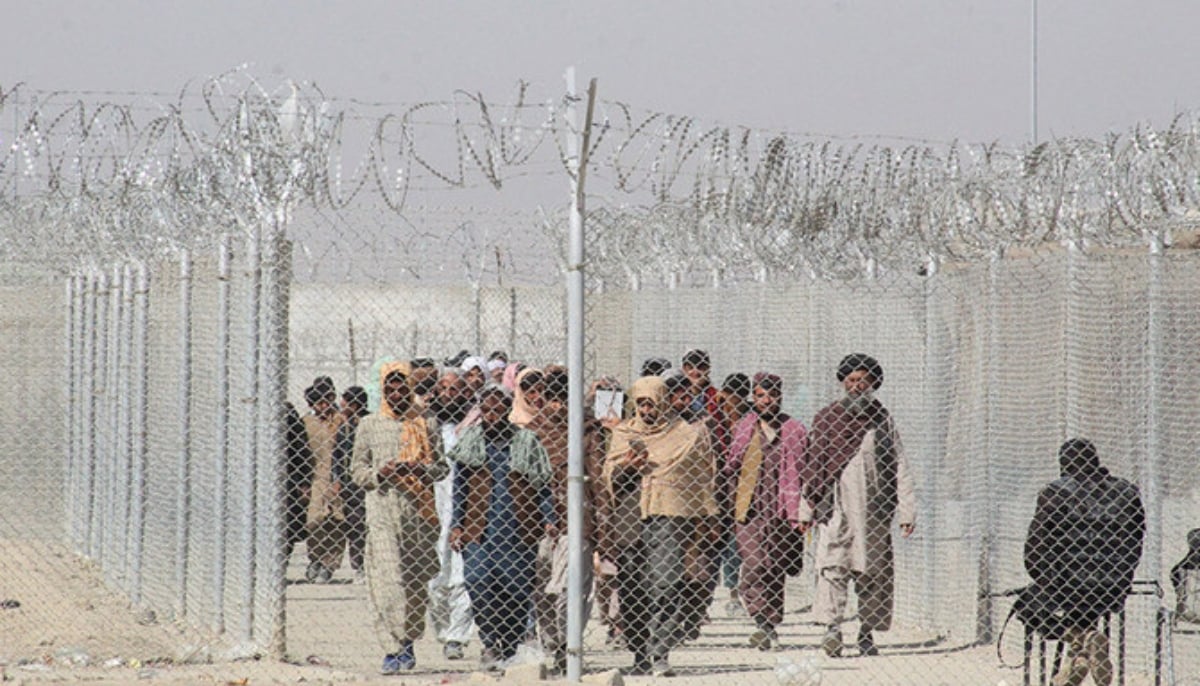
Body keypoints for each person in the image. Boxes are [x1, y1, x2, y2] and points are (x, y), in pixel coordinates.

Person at [603, 376, 718, 677]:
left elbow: (699, 471)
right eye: (640, 403)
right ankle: (640, 652)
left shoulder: (683, 433)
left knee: (665, 583)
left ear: (663, 401)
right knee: (632, 587)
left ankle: (660, 651)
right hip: (630, 517)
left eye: (651, 402)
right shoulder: (624, 432)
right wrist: (628, 465)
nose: (646, 409)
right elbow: (609, 474)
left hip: (668, 516)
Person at [801, 354, 915, 658]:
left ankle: (866, 632)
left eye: (862, 380)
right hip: (834, 509)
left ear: (873, 384)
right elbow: (812, 466)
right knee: (832, 568)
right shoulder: (827, 418)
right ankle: (832, 629)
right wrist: (805, 510)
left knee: (873, 573)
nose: (856, 386)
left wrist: (907, 510)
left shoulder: (882, 420)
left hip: (873, 512)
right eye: (850, 380)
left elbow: (900, 463)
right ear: (842, 383)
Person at [351, 361, 448, 673]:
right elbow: (357, 471)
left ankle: (408, 640)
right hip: (382, 509)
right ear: (382, 390)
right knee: (388, 581)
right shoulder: (369, 424)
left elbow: (442, 466)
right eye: (389, 387)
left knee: (416, 583)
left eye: (401, 387)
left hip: (418, 513)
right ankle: (392, 648)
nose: (395, 393)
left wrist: (421, 469)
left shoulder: (426, 421)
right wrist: (381, 474)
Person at [1024, 438, 1145, 686]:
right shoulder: (1127, 492)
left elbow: (1034, 549)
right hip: (1111, 587)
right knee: (1087, 597)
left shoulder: (1054, 493)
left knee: (1027, 606)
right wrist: (1121, 576)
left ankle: (1077, 643)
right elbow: (1136, 542)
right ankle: (1085, 643)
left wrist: (1046, 580)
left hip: (1065, 586)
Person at [449, 385, 553, 670]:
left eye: (497, 410)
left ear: (507, 410)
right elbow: (459, 489)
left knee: (517, 590)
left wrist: (548, 517)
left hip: (518, 530)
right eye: (486, 410)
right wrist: (456, 525)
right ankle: (491, 642)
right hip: (478, 530)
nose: (492, 416)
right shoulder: (470, 441)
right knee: (479, 584)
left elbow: (542, 485)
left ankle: (511, 646)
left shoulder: (526, 441)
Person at [528, 367, 604, 675]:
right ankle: (553, 644)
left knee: (571, 589)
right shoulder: (534, 432)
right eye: (553, 400)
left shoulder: (587, 431)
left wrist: (601, 524)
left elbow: (597, 479)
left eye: (564, 400)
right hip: (540, 524)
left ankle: (569, 644)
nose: (558, 407)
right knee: (542, 590)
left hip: (578, 520)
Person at [724, 373, 807, 651]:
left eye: (771, 395)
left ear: (780, 397)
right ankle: (759, 616)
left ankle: (769, 625)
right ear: (753, 398)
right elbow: (731, 467)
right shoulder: (745, 428)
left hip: (783, 510)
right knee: (756, 563)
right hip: (749, 509)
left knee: (775, 567)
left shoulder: (794, 429)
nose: (766, 400)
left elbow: (804, 471)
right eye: (760, 395)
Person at [426, 369, 476, 660]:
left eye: (454, 389)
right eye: (442, 388)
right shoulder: (425, 427)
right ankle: (443, 631)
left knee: (461, 576)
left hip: (465, 514)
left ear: (464, 394)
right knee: (434, 577)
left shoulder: (473, 428)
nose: (447, 394)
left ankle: (456, 637)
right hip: (431, 512)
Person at [302, 376, 347, 584]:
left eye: (327, 400)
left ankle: (330, 564)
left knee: (336, 521)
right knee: (314, 521)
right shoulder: (306, 423)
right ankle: (316, 557)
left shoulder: (341, 421)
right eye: (319, 401)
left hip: (339, 477)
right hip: (316, 479)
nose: (324, 406)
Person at [715, 373, 752, 617]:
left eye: (737, 397)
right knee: (720, 542)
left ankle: (734, 593)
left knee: (736, 544)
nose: (733, 402)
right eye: (729, 396)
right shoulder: (715, 419)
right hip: (716, 489)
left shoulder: (751, 421)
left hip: (742, 489)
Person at [332, 386, 369, 582]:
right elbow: (337, 456)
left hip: (366, 483)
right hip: (349, 485)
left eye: (345, 401)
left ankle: (367, 564)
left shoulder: (368, 424)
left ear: (354, 404)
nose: (341, 405)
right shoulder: (344, 427)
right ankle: (359, 565)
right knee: (354, 525)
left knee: (367, 524)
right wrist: (336, 479)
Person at [283, 401, 313, 561]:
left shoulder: (287, 413)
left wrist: (303, 482)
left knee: (287, 520)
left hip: (286, 476)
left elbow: (300, 450)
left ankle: (282, 560)